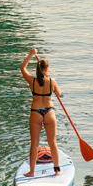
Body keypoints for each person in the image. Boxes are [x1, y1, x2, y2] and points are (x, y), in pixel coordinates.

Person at [20, 47, 62, 176]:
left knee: (34, 144)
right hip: (49, 112)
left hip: (35, 112)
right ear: (47, 69)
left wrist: (30, 55)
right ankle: (57, 171)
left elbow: (22, 68)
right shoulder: (52, 81)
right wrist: (56, 90)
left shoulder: (32, 81)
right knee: (52, 143)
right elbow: (59, 94)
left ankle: (32, 172)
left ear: (37, 69)